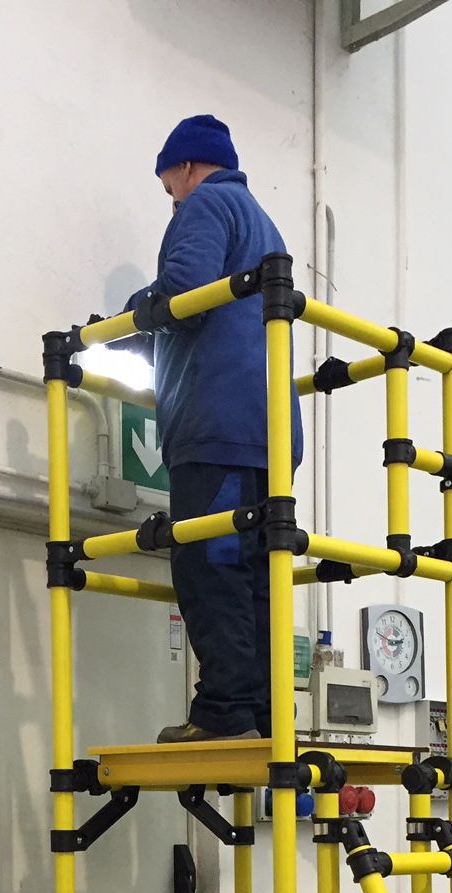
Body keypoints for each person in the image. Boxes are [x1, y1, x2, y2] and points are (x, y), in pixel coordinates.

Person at [129, 115, 303, 743]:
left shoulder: (205, 204)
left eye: (167, 181)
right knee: (255, 573)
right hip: (269, 434)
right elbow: (219, 310)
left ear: (184, 167)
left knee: (210, 566)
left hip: (219, 425)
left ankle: (225, 711)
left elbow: (185, 286)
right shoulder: (260, 218)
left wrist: (137, 314)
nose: (169, 194)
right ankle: (260, 714)